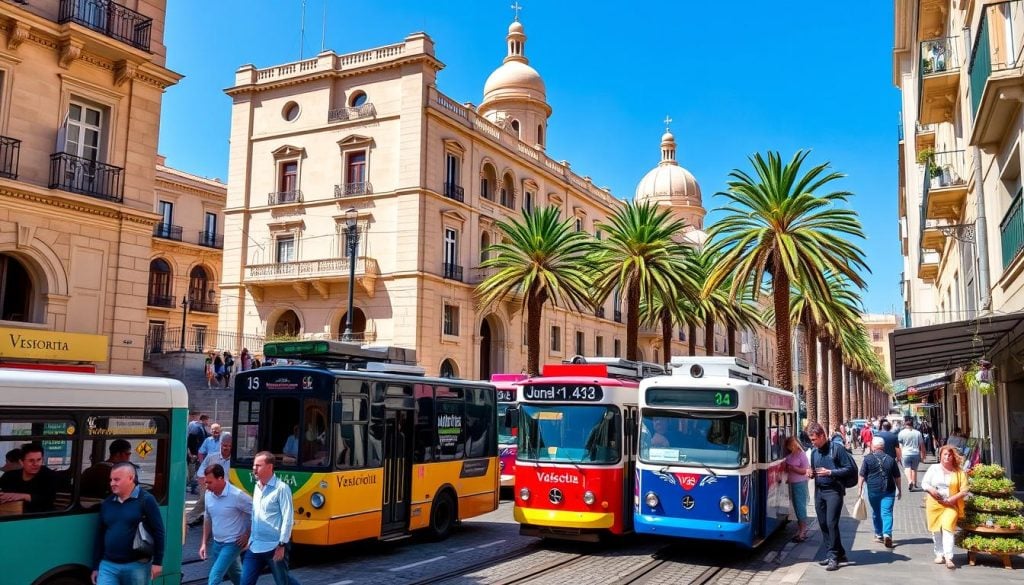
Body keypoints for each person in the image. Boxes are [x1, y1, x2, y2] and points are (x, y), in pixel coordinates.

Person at [91, 462, 165, 584]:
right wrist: (95, 566)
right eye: (111, 480)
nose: (112, 483)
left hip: (137, 566)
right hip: (108, 565)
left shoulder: (146, 500)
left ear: (130, 478)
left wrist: (158, 562)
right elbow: (99, 535)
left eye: (116, 480)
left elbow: (159, 532)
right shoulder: (107, 503)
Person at [242, 451, 300, 585]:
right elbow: (255, 514)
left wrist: (282, 544)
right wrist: (250, 538)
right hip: (255, 546)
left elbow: (288, 518)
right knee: (245, 582)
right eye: (254, 465)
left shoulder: (282, 489)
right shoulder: (257, 486)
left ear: (269, 467)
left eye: (258, 465)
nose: (254, 468)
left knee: (283, 581)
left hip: (274, 547)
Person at [805, 422, 856, 572]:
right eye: (811, 440)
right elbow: (814, 470)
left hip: (834, 491)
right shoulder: (814, 453)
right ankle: (836, 552)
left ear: (822, 436)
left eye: (814, 439)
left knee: (831, 523)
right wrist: (811, 473)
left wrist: (831, 472)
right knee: (823, 523)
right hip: (819, 491)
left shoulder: (837, 449)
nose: (812, 443)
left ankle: (833, 556)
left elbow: (849, 469)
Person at [200, 463, 251, 585]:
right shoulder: (208, 495)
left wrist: (247, 534)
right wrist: (203, 543)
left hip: (233, 543)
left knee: (215, 576)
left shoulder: (237, 495)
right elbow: (207, 518)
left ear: (220, 479)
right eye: (206, 482)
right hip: (217, 542)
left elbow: (255, 513)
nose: (207, 486)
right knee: (237, 575)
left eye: (210, 482)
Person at [922, 445, 969, 570]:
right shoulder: (934, 468)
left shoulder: (959, 472)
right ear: (940, 456)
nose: (947, 457)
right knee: (936, 530)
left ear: (953, 456)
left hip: (951, 505)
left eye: (949, 455)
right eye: (944, 455)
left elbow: (964, 490)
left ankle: (948, 557)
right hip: (934, 504)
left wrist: (952, 499)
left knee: (948, 528)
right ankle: (939, 554)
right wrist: (931, 489)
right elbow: (924, 483)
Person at [858, 436, 901, 549]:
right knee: (887, 512)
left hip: (873, 490)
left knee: (876, 512)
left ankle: (879, 534)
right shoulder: (890, 459)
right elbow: (897, 476)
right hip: (889, 489)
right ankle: (887, 533)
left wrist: (860, 488)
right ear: (883, 447)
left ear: (873, 446)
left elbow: (862, 475)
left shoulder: (868, 459)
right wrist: (899, 489)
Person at [0, 443, 57, 513]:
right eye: (31, 460)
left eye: (39, 460)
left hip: (42, 517)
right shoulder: (9, 476)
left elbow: (48, 500)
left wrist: (24, 496)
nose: (35, 464)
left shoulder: (48, 475)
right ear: (21, 462)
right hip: (11, 515)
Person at [188, 434, 232, 526]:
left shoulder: (235, 460)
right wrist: (205, 486)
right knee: (204, 499)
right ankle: (189, 519)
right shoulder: (212, 457)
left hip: (227, 487)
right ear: (221, 445)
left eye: (229, 446)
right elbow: (201, 472)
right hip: (209, 485)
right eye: (224, 445)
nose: (226, 448)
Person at [784, 435, 810, 542]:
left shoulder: (801, 455)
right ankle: (800, 529)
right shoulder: (791, 454)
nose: (790, 447)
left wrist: (793, 468)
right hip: (792, 483)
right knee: (796, 507)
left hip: (800, 483)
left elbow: (806, 471)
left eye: (791, 445)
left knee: (800, 506)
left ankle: (803, 529)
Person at [897, 419, 926, 491]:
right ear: (913, 425)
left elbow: (900, 445)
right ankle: (914, 483)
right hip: (915, 453)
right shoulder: (918, 433)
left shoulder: (901, 433)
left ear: (905, 425)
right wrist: (923, 455)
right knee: (914, 469)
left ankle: (910, 481)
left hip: (905, 453)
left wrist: (899, 455)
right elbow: (921, 445)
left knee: (907, 468)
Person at [187, 414, 210, 495]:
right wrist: (194, 453)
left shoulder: (202, 428)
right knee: (197, 471)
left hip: (201, 454)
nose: (208, 422)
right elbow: (191, 440)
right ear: (203, 420)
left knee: (198, 471)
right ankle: (193, 487)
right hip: (198, 454)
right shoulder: (197, 428)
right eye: (207, 420)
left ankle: (195, 487)